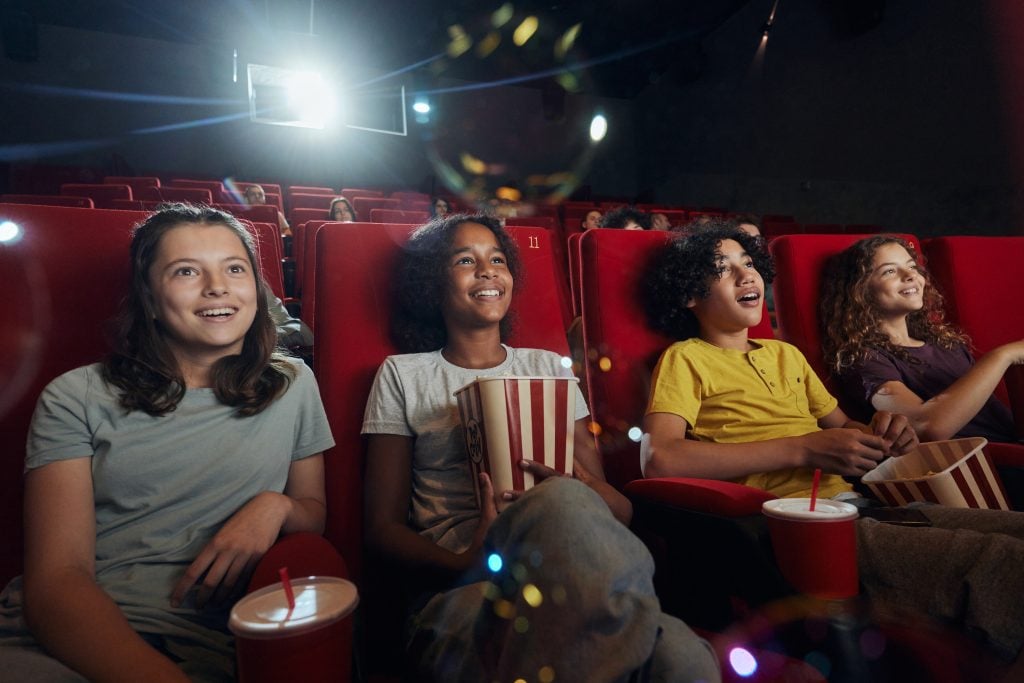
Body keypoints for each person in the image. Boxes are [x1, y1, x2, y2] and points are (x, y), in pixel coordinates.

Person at [641, 222, 1024, 665]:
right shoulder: (685, 357)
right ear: (690, 295)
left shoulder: (785, 355)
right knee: (1008, 563)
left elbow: (844, 426)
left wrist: (883, 429)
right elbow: (660, 457)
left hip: (863, 503)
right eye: (722, 269)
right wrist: (803, 448)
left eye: (748, 263)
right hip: (802, 528)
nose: (746, 276)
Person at [361, 213, 718, 682]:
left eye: (497, 259)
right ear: (431, 282)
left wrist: (575, 487)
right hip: (464, 588)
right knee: (665, 654)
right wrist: (461, 561)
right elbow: (381, 530)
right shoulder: (404, 375)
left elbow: (618, 512)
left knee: (687, 662)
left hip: (565, 570)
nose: (487, 270)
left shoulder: (549, 367)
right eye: (465, 260)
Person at [0, 205, 334, 683]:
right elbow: (57, 582)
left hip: (202, 645)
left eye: (234, 268)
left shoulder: (294, 384)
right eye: (186, 271)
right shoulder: (75, 396)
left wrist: (275, 506)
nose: (217, 286)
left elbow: (313, 509)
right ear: (150, 300)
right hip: (67, 639)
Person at [820, 235, 1020, 443]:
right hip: (981, 463)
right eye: (889, 271)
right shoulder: (865, 358)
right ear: (859, 291)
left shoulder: (945, 343)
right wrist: (1002, 356)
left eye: (912, 266)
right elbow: (924, 426)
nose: (910, 275)